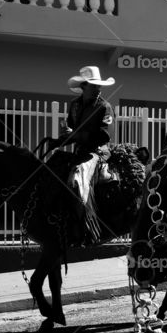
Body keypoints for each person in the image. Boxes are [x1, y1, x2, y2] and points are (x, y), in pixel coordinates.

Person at [60, 66, 116, 245]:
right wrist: (65, 135)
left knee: (77, 183)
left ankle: (86, 228)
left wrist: (75, 134)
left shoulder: (104, 107)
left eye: (99, 85)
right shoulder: (74, 105)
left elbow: (104, 135)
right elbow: (71, 129)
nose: (99, 88)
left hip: (97, 152)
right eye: (94, 85)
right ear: (83, 86)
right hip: (79, 151)